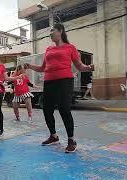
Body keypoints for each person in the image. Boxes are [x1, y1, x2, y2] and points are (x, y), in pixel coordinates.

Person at [25, 23, 94, 153]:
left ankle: (71, 140)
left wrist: (89, 67)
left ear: (60, 31)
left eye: (52, 30)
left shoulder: (70, 47)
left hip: (64, 81)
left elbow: (79, 66)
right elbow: (42, 68)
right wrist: (29, 66)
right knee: (46, 109)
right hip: (49, 82)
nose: (50, 33)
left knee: (64, 109)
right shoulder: (49, 49)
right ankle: (53, 136)